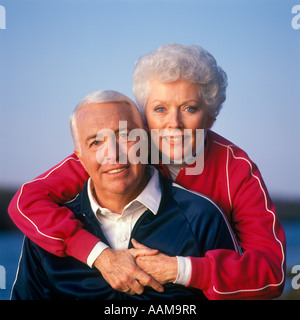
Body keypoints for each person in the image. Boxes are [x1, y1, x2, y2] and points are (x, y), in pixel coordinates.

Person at [8, 44, 286, 299]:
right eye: (160, 109)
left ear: (210, 115)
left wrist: (180, 269)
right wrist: (100, 255)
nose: (173, 124)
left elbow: (272, 275)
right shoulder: (123, 153)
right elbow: (26, 202)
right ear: (143, 116)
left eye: (190, 108)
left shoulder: (235, 168)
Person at [11, 90, 238, 300]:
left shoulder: (202, 217)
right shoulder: (46, 234)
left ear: (147, 141)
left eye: (126, 136)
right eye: (96, 142)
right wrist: (100, 255)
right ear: (80, 158)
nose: (113, 154)